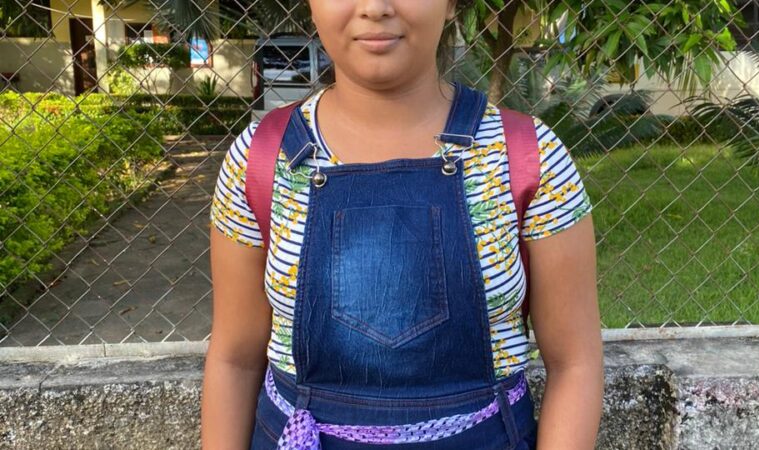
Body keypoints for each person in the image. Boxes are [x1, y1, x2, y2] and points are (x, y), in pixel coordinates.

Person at [202, 1, 603, 449]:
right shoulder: (258, 160)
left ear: (451, 5)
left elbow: (575, 363)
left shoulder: (528, 157)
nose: (375, 8)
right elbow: (235, 360)